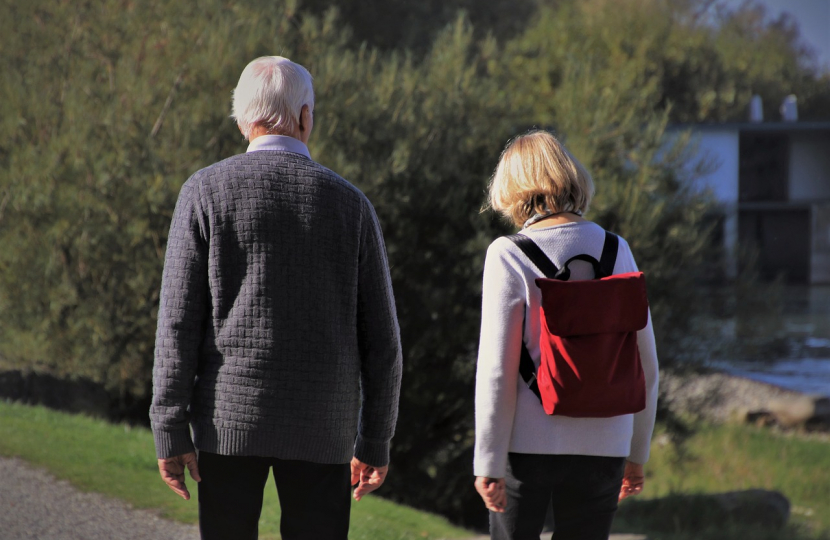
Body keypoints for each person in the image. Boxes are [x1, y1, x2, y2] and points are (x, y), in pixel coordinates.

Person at [150, 56, 403, 540]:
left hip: (228, 422)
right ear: (305, 117)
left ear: (243, 119)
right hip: (323, 427)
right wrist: (375, 439)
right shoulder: (352, 204)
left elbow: (177, 324)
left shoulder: (204, 192)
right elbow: (383, 343)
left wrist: (170, 426)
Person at [473, 131, 659, 540]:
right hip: (606, 444)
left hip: (528, 446)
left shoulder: (508, 254)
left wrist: (487, 460)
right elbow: (646, 364)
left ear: (512, 188)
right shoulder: (616, 249)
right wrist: (636, 453)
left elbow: (497, 372)